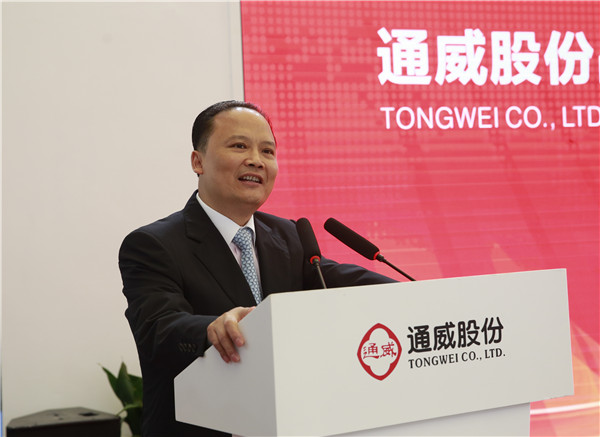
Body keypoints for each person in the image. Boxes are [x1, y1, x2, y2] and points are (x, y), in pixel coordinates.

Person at [119, 100, 395, 437]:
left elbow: (332, 276)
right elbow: (158, 328)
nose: (256, 160)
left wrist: (413, 294)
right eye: (239, 146)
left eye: (267, 151)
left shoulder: (288, 235)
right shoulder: (153, 244)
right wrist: (213, 329)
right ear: (198, 161)